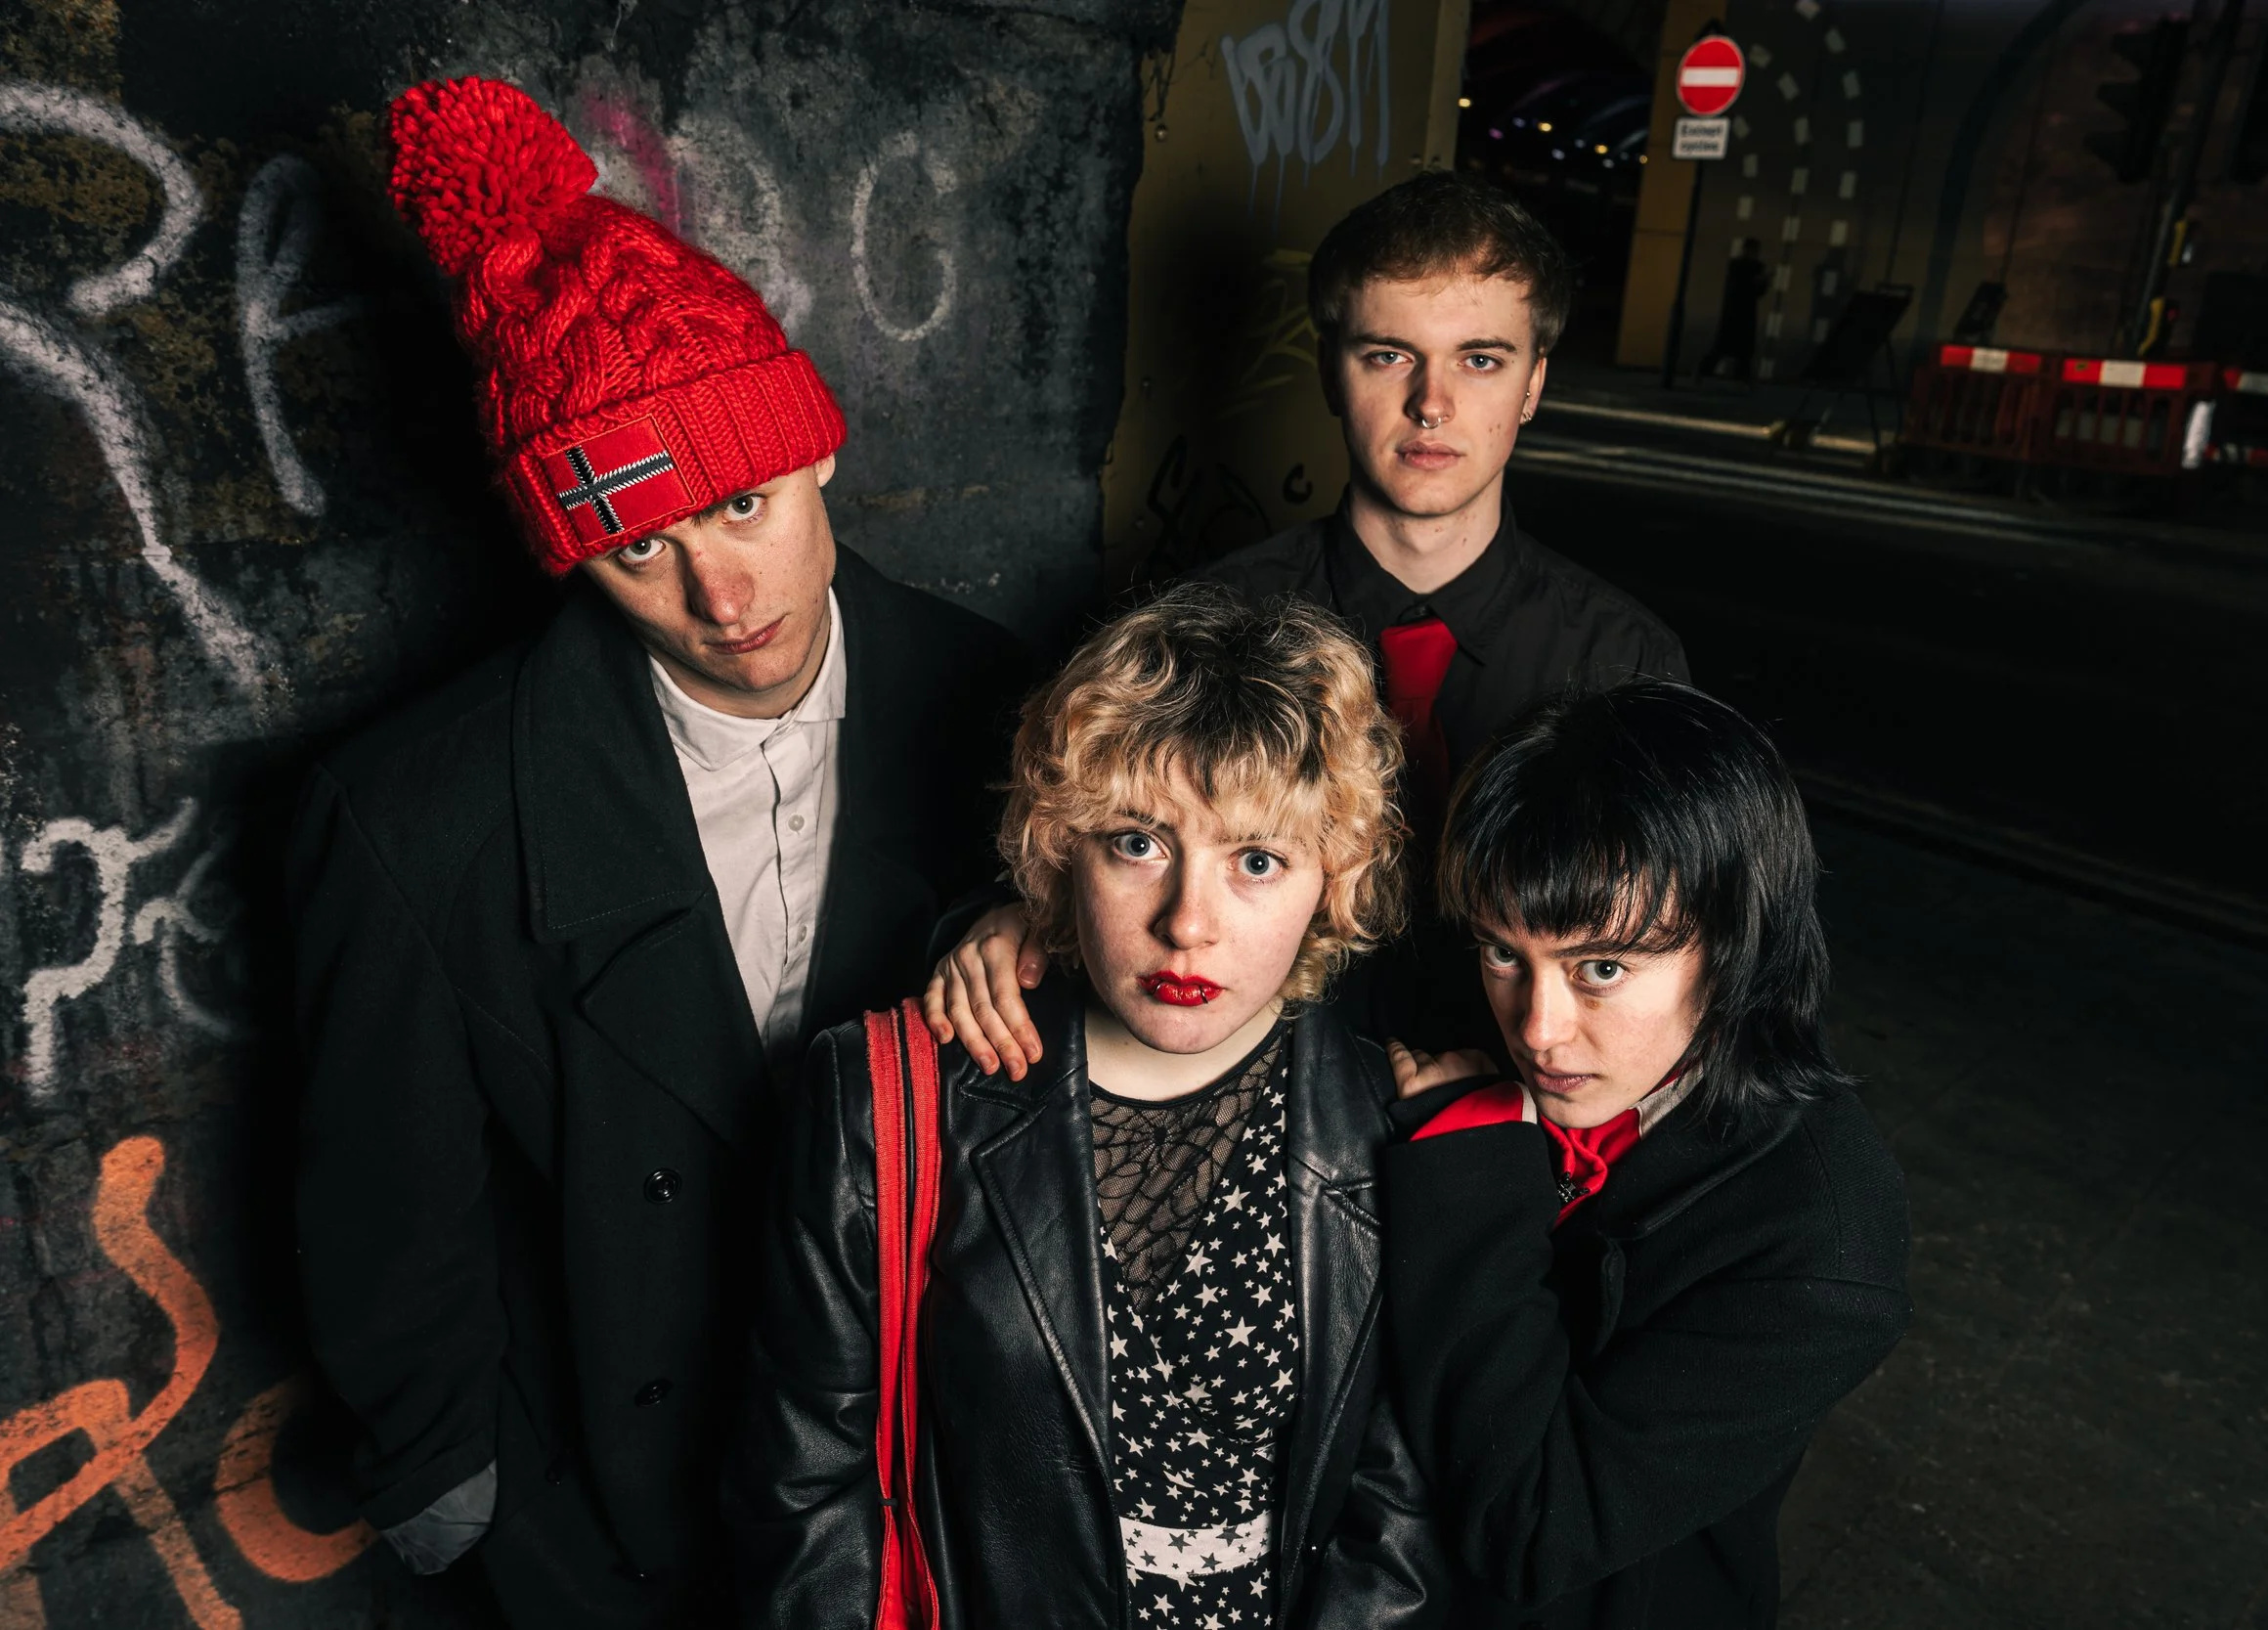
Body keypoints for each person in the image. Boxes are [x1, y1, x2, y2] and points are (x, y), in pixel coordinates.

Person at [288, 78, 1023, 1627]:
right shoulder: (417, 813)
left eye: (745, 501)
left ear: (818, 451)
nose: (721, 589)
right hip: (619, 1521)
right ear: (572, 547)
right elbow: (380, 1201)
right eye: (642, 544)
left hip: (942, 1477)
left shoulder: (1024, 720)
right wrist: (469, 1498)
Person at [726, 587, 1442, 1628]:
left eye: (1256, 859)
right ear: (1063, 847)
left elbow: (1405, 1509)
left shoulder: (1397, 1126)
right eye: (1138, 842)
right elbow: (803, 1481)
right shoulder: (884, 1103)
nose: (1187, 922)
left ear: (1331, 882)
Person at [931, 171, 1687, 1072]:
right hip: (1251, 1098)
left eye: (1480, 359)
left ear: (1532, 385)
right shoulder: (1197, 627)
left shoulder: (1625, 658)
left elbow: (1672, 959)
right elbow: (1077, 839)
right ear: (1331, 371)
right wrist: (1011, 914)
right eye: (1388, 355)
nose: (1432, 403)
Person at [1378, 682, 1911, 1628]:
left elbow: (1533, 1528)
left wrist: (1469, 1165)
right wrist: (1034, 938)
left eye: (1602, 968)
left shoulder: (1824, 1242)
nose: (1537, 1030)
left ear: (1734, 948)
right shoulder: (1463, 992)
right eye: (1502, 952)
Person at [1701, 240, 1768, 382]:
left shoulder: (1756, 267)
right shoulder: (1737, 265)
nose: (1753, 254)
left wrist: (1763, 282)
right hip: (1735, 312)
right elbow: (1739, 287)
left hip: (1746, 313)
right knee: (1723, 347)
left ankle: (1742, 378)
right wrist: (1757, 282)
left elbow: (1758, 292)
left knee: (1743, 351)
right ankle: (1704, 371)